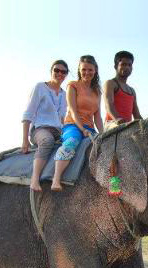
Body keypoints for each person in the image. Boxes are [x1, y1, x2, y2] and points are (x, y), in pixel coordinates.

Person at [51, 55, 103, 191]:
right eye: (84, 69)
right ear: (79, 70)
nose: (87, 72)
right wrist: (82, 129)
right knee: (72, 141)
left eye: (90, 70)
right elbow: (73, 111)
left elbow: (97, 116)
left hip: (90, 127)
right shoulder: (72, 86)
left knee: (105, 148)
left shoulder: (97, 91)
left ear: (95, 70)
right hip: (73, 125)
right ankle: (56, 179)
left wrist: (104, 133)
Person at [21, 60, 69, 191]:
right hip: (40, 129)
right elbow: (28, 113)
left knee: (73, 142)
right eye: (56, 70)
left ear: (66, 75)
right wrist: (25, 140)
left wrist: (66, 133)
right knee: (47, 141)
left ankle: (57, 179)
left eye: (63, 72)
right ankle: (34, 180)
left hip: (58, 130)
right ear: (51, 71)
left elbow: (61, 118)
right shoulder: (40, 87)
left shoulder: (64, 94)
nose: (59, 73)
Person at [103, 50, 142, 130]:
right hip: (112, 124)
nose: (127, 67)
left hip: (127, 126)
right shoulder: (111, 83)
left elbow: (136, 115)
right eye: (123, 64)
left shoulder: (132, 91)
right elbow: (109, 105)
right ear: (115, 66)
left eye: (129, 65)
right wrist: (117, 119)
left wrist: (146, 124)